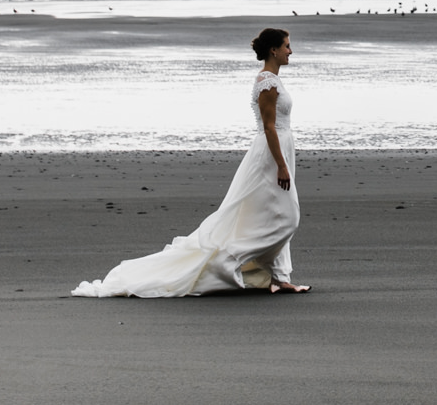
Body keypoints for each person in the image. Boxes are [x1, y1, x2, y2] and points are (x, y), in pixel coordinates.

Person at [73, 27, 309, 297]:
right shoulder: (268, 83)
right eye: (287, 46)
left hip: (279, 152)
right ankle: (228, 261)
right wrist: (280, 164)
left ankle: (278, 277)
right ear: (273, 50)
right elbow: (269, 128)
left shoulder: (273, 81)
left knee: (270, 213)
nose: (291, 51)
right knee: (287, 218)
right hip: (270, 155)